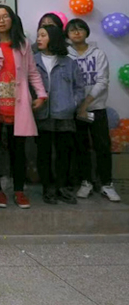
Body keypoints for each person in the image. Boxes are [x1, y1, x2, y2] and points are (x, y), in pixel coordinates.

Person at [0, 5, 47, 209]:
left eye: (5, 16)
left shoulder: (23, 43)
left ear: (12, 19)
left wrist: (41, 93)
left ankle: (19, 190)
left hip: (17, 102)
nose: (1, 21)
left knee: (18, 150)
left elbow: (32, 72)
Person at [67, 19, 120, 202]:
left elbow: (102, 81)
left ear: (86, 32)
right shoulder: (66, 55)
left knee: (102, 146)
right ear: (67, 35)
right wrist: (78, 106)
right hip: (75, 110)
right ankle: (86, 182)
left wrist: (86, 103)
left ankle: (106, 184)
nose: (77, 33)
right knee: (81, 147)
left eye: (80, 29)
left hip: (97, 108)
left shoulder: (98, 54)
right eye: (72, 30)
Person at [34, 25, 84, 205]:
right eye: (38, 35)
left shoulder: (69, 62)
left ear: (53, 38)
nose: (38, 39)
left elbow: (79, 88)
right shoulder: (33, 61)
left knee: (64, 154)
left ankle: (62, 187)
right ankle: (48, 188)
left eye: (43, 35)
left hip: (64, 114)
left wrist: (72, 104)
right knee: (44, 153)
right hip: (41, 114)